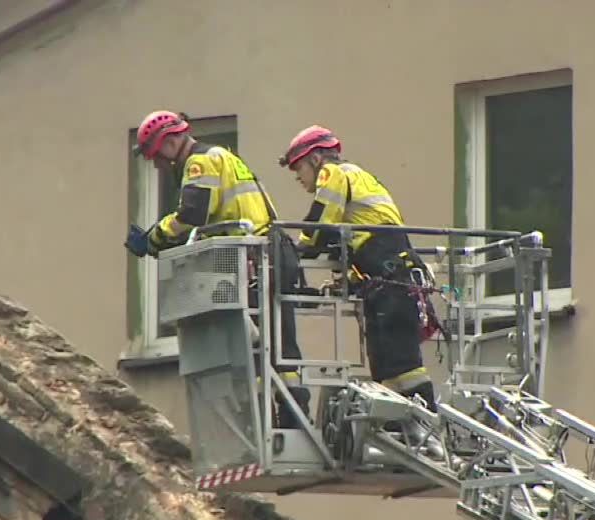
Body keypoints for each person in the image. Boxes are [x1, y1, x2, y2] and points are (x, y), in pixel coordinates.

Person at [125, 110, 311, 429]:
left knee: (249, 346)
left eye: (157, 157)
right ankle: (291, 421)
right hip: (267, 253)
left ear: (169, 143)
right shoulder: (221, 157)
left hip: (253, 260)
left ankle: (264, 425)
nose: (158, 165)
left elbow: (193, 212)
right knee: (278, 346)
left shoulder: (200, 162)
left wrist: (155, 237)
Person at [278, 125, 442, 427]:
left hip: (390, 282)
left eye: (299, 168)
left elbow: (320, 224)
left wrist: (291, 253)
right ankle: (404, 434)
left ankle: (426, 430)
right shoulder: (359, 177)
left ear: (315, 159)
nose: (299, 178)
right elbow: (354, 237)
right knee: (388, 369)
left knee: (402, 364)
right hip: (389, 279)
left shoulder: (333, 173)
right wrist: (348, 278)